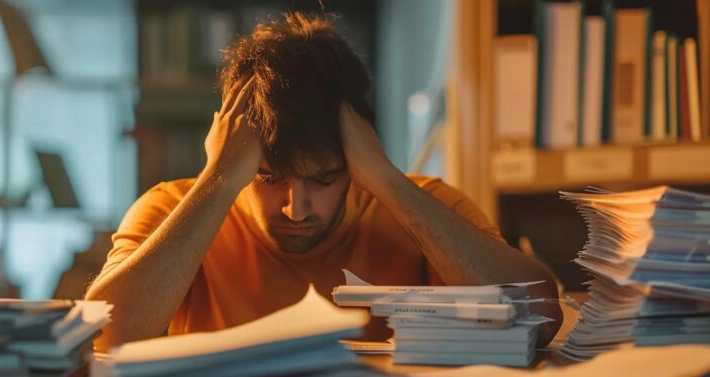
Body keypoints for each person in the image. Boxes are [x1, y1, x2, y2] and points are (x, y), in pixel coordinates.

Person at [86, 12, 561, 349]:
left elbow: (541, 318)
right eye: (269, 177)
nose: (297, 207)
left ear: (356, 155)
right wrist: (220, 179)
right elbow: (107, 333)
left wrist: (385, 180)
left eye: (325, 177)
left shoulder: (425, 206)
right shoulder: (173, 207)